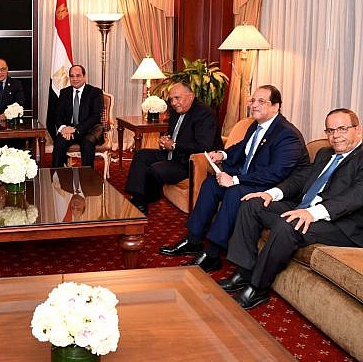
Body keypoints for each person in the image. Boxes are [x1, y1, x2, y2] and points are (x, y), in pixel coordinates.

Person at [221, 108, 363, 310]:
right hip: (304, 208)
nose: (335, 136)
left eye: (342, 129)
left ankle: (257, 288)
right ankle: (244, 273)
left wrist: (311, 213)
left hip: (342, 225)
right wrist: (271, 193)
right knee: (252, 204)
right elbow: (301, 179)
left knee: (287, 225)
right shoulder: (324, 153)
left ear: (358, 130)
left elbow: (355, 196)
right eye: (330, 131)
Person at [159, 85, 309, 272]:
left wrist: (236, 179)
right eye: (252, 100)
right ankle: (193, 239)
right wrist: (222, 154)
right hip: (252, 178)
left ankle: (213, 254)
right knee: (212, 184)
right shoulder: (256, 125)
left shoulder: (287, 135)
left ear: (276, 106)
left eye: (261, 101)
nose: (254, 105)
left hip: (272, 188)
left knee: (233, 192)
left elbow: (275, 173)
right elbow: (243, 147)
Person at [125, 82, 222, 215]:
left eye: (177, 98)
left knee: (156, 169)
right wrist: (165, 140)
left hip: (188, 162)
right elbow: (174, 134)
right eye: (171, 99)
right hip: (173, 154)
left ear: (191, 96)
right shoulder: (177, 110)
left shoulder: (204, 114)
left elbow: (203, 146)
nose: (174, 103)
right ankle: (138, 197)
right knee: (141, 155)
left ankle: (147, 198)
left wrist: (174, 145)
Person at [51, 65, 103, 168]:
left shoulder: (95, 92)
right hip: (69, 130)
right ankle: (57, 176)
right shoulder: (64, 93)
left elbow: (95, 116)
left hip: (90, 130)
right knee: (59, 142)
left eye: (78, 75)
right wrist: (63, 128)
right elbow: (58, 114)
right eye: (72, 76)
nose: (75, 79)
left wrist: (75, 129)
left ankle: (87, 179)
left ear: (84, 77)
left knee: (87, 143)